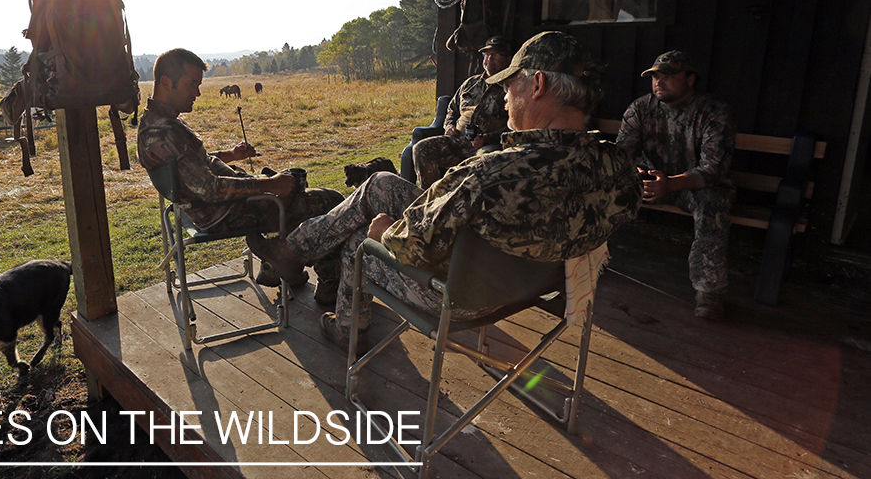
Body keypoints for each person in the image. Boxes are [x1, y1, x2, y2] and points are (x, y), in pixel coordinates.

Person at [251, 32, 642, 349]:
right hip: (536, 283)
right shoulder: (619, 167)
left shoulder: (490, 173)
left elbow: (412, 246)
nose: (504, 96)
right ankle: (294, 251)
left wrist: (382, 231)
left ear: (537, 84)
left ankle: (347, 329)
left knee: (359, 238)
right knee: (381, 184)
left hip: (463, 295)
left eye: (509, 85)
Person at [136, 48, 344, 301]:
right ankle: (329, 282)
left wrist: (231, 156)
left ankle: (276, 263)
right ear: (167, 82)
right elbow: (209, 188)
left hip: (205, 209)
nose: (197, 93)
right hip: (221, 212)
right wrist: (268, 185)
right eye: (192, 84)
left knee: (292, 191)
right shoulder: (165, 131)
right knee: (328, 201)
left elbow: (191, 164)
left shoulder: (155, 123)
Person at [615, 50, 736, 321]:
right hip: (652, 183)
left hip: (694, 187)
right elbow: (622, 155)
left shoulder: (713, 112)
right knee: (596, 185)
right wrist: (638, 174)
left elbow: (714, 169)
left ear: (690, 79)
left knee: (712, 205)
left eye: (669, 76)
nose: (660, 82)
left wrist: (671, 184)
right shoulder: (641, 108)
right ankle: (575, 266)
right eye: (656, 76)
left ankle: (709, 292)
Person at [412, 35, 515, 188]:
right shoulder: (470, 84)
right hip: (458, 141)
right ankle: (430, 199)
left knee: (483, 162)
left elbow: (516, 126)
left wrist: (488, 139)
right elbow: (452, 110)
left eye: (495, 55)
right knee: (421, 148)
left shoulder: (512, 88)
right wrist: (449, 126)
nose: (488, 59)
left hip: (487, 146)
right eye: (486, 54)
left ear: (508, 59)